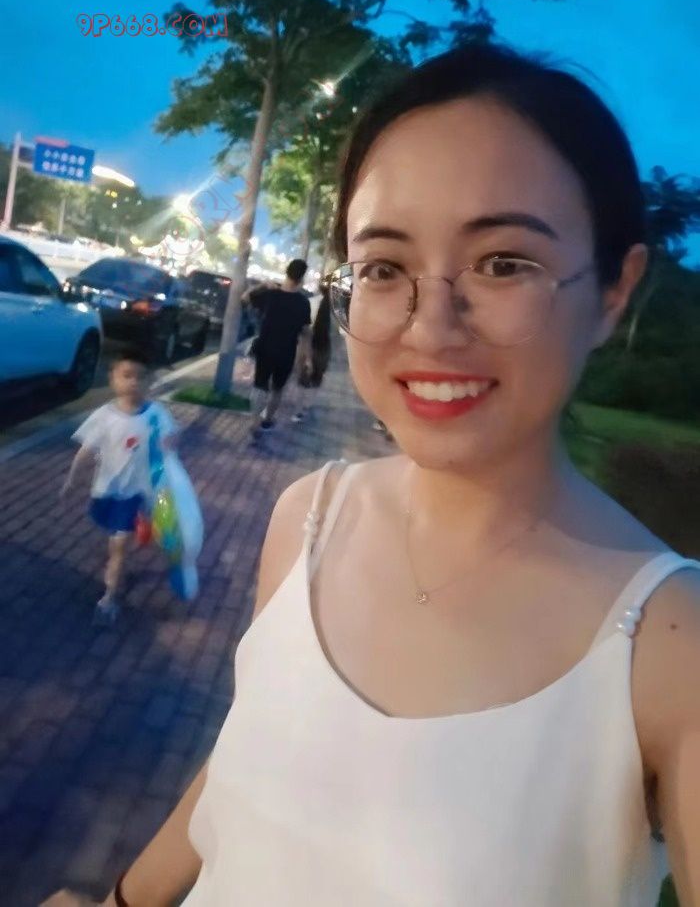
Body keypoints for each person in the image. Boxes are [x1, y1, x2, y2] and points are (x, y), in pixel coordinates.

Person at [43, 44, 700, 907]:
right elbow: (243, 761)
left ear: (615, 290)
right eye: (386, 268)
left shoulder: (669, 647)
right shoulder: (308, 517)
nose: (430, 328)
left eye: (505, 263)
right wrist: (123, 899)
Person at [60, 349, 178, 623]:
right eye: (127, 375)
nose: (134, 382)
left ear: (150, 381)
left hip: (137, 492)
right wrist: (72, 478)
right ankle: (124, 549)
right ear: (113, 378)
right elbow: (86, 449)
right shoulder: (104, 415)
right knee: (113, 537)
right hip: (107, 490)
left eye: (141, 376)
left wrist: (167, 449)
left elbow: (171, 441)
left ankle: (109, 597)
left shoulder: (156, 414)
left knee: (119, 545)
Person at [246, 258, 312, 437]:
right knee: (277, 388)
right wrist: (306, 358)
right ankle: (267, 420)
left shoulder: (270, 295)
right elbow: (306, 333)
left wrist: (263, 285)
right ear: (302, 278)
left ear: (286, 272)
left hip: (265, 348)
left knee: (260, 385)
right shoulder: (303, 303)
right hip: (287, 352)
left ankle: (254, 422)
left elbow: (245, 298)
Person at [292, 282, 332, 423]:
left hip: (307, 345)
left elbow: (303, 328)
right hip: (324, 347)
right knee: (317, 378)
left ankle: (298, 410)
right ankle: (307, 406)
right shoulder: (336, 309)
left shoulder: (310, 302)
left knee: (302, 379)